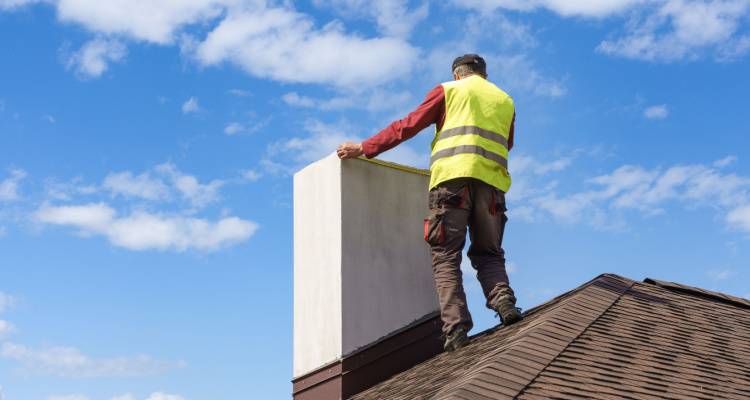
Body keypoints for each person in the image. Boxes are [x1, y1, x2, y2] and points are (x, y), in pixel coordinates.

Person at [336, 54, 521, 352]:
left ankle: (457, 328)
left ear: (457, 74)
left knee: (446, 254)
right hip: (492, 188)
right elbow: (507, 144)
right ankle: (504, 302)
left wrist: (364, 147)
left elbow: (407, 125)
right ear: (484, 75)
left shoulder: (448, 90)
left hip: (451, 182)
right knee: (489, 253)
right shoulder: (505, 100)